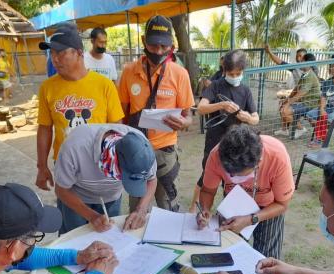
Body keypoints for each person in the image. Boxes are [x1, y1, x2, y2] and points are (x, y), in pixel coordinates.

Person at [119, 15, 195, 212]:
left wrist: (183, 123)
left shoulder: (180, 74)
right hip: (136, 149)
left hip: (166, 151)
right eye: (153, 46)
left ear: (171, 45)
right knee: (136, 205)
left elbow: (189, 117)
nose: (159, 52)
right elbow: (122, 115)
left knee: (167, 204)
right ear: (144, 41)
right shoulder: (129, 72)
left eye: (164, 47)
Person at [36, 25, 124, 191]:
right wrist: (42, 167)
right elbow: (45, 128)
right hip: (66, 164)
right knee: (72, 213)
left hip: (99, 164)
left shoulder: (104, 85)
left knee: (106, 215)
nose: (54, 59)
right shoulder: (47, 88)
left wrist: (113, 163)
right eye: (52, 53)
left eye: (61, 53)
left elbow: (116, 128)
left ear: (79, 53)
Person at [197, 126, 294, 259]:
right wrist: (205, 209)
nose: (234, 178)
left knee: (266, 262)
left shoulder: (277, 156)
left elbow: (282, 204)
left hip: (270, 206)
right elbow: (207, 191)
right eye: (230, 174)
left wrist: (252, 219)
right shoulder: (216, 155)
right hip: (234, 206)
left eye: (240, 175)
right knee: (228, 255)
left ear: (257, 163)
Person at [190, 50, 259, 212]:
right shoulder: (216, 86)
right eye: (231, 73)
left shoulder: (245, 91)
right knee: (206, 178)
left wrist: (247, 118)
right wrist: (221, 105)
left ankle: (229, 213)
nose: (234, 77)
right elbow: (201, 108)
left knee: (233, 181)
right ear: (224, 70)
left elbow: (256, 118)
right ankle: (194, 211)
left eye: (238, 73)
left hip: (237, 145)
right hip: (215, 142)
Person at [55, 124, 157, 234]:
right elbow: (62, 190)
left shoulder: (144, 151)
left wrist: (141, 210)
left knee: (110, 237)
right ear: (114, 159)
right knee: (74, 238)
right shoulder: (75, 146)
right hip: (76, 199)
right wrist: (91, 216)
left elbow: (151, 180)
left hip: (112, 199)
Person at [275, 53, 321, 139]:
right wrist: (287, 100)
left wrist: (288, 103)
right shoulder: (305, 74)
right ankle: (284, 130)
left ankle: (301, 129)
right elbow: (296, 89)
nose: (300, 62)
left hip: (309, 104)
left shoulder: (310, 76)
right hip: (303, 101)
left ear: (308, 63)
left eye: (302, 61)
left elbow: (301, 93)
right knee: (282, 103)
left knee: (285, 111)